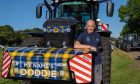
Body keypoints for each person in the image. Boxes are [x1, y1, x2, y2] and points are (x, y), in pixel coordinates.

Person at [74, 20, 102, 84]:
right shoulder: (82, 35)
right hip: (86, 62)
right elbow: (76, 45)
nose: (90, 28)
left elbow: (100, 46)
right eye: (89, 26)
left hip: (97, 62)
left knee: (97, 81)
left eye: (92, 26)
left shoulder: (98, 35)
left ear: (94, 26)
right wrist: (89, 47)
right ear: (86, 27)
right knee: (86, 81)